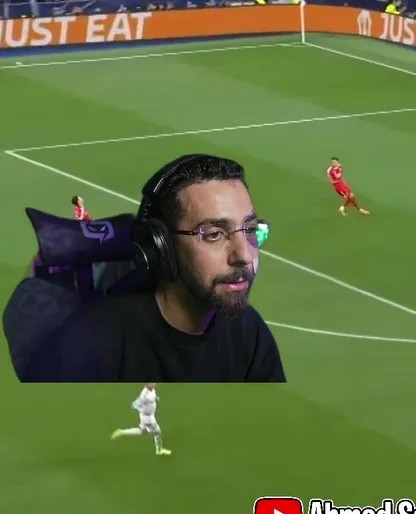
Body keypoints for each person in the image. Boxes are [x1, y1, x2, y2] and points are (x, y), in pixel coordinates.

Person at [22, 154, 286, 382]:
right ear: (161, 247)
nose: (244, 255)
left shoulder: (248, 332)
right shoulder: (85, 349)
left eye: (250, 230)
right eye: (214, 234)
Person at [111, 382, 171, 456]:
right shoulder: (144, 395)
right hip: (148, 418)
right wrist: (143, 410)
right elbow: (134, 405)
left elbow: (152, 397)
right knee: (157, 432)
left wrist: (156, 398)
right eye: (152, 383)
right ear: (147, 384)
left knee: (142, 432)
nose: (154, 384)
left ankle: (122, 432)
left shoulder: (152, 390)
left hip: (149, 416)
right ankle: (159, 450)